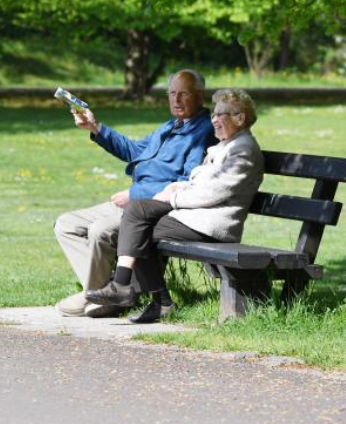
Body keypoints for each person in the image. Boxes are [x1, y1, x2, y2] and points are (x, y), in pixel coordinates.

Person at [86, 88, 265, 323]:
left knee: (138, 230)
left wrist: (172, 198)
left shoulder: (243, 150)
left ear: (240, 118)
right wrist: (177, 187)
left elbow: (213, 192)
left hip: (210, 224)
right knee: (137, 211)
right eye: (214, 114)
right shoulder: (224, 147)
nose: (214, 119)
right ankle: (129, 289)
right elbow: (201, 183)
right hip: (194, 215)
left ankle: (150, 298)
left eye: (221, 114)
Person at [53, 70, 217, 318]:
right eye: (172, 93)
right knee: (66, 224)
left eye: (183, 93)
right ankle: (98, 291)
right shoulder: (170, 127)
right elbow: (135, 150)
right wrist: (96, 127)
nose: (176, 99)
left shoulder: (203, 132)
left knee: (100, 230)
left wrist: (134, 193)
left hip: (155, 209)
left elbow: (187, 182)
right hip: (133, 202)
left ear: (199, 95)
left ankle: (105, 296)